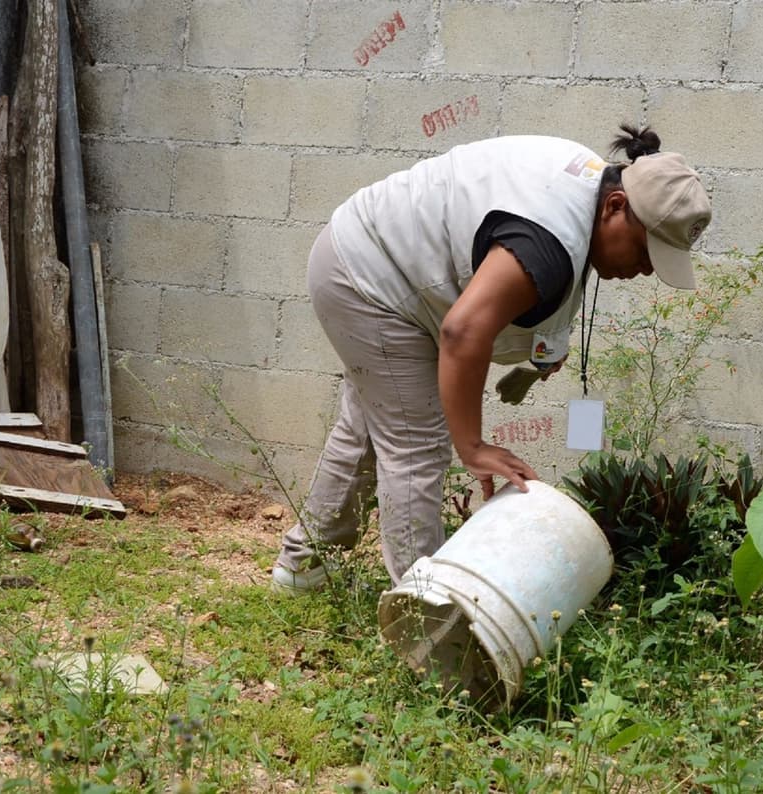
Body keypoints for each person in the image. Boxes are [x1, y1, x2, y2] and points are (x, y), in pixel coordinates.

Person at [272, 123, 712, 592]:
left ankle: (303, 569)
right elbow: (464, 332)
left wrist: (545, 347)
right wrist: (474, 448)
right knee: (418, 447)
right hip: (368, 276)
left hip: (376, 259)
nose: (646, 269)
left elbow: (521, 282)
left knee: (366, 428)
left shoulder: (589, 186)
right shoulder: (549, 237)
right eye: (647, 251)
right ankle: (427, 621)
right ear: (617, 206)